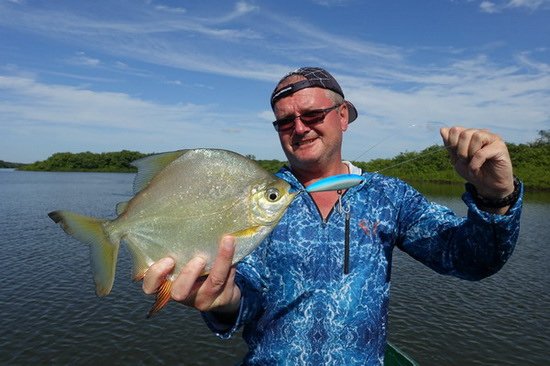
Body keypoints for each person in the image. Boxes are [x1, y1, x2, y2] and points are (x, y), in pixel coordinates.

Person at [142, 67, 523, 365]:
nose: (299, 127)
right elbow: (245, 297)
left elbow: (471, 260)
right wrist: (222, 299)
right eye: (285, 121)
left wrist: (495, 197)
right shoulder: (256, 198)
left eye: (312, 114)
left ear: (342, 116)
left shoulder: (388, 195)